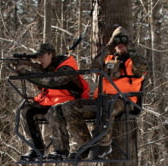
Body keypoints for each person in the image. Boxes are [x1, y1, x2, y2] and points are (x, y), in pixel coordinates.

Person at [62, 27, 148, 159]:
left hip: (124, 101)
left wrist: (129, 49)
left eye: (123, 41)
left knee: (107, 105)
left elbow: (141, 68)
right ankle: (86, 146)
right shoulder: (109, 59)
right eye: (117, 42)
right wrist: (109, 47)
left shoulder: (134, 60)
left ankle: (103, 145)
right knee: (68, 107)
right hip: (101, 99)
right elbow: (94, 67)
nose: (120, 45)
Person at [11, 43, 89, 161]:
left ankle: (61, 151)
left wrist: (28, 74)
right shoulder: (47, 68)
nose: (40, 60)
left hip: (69, 102)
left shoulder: (66, 67)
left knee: (55, 110)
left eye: (42, 56)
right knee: (27, 110)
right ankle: (36, 149)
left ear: (50, 54)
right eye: (38, 57)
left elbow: (52, 81)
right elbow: (37, 72)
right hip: (50, 102)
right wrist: (21, 65)